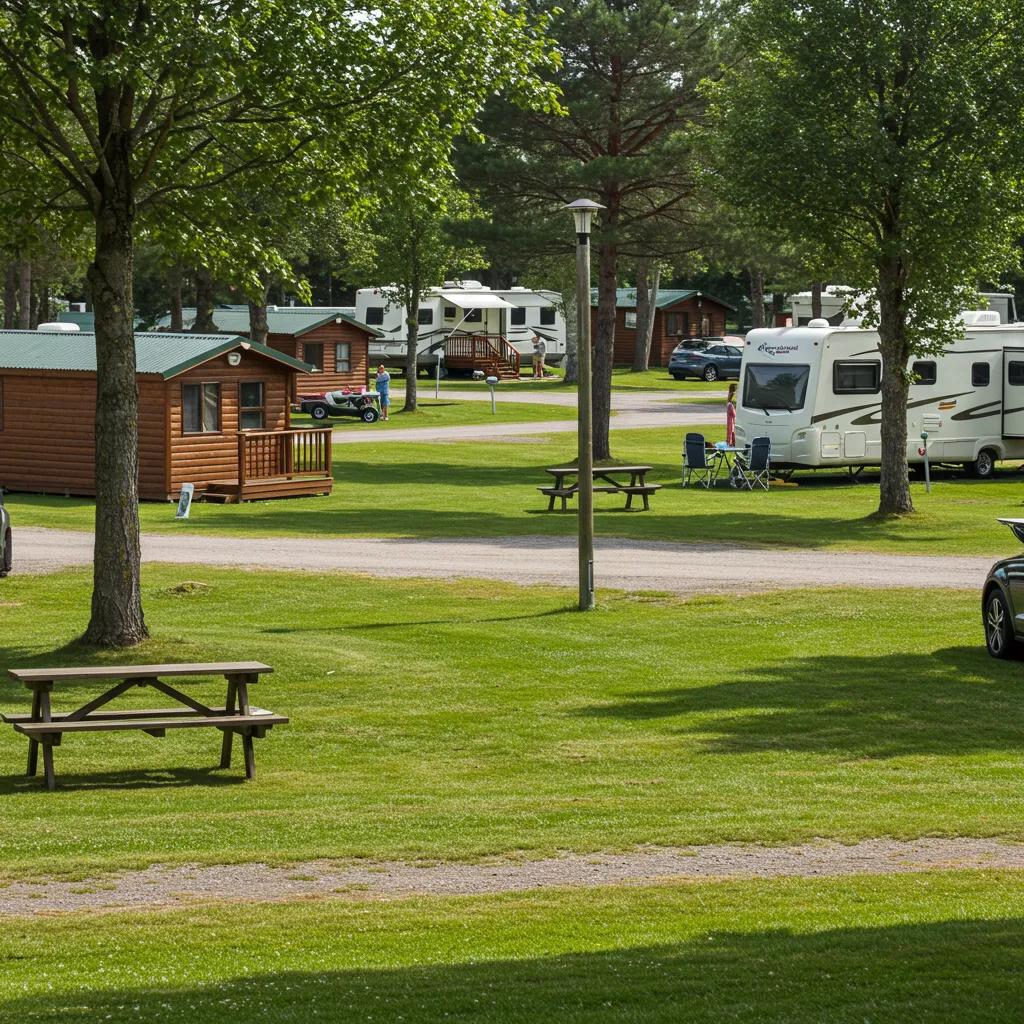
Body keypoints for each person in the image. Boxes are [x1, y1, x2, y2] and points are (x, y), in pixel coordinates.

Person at [725, 382, 737, 446]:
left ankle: (730, 442)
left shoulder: (729, 403)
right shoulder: (730, 405)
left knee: (730, 429)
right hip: (731, 419)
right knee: (731, 429)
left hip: (730, 418)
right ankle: (731, 442)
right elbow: (734, 414)